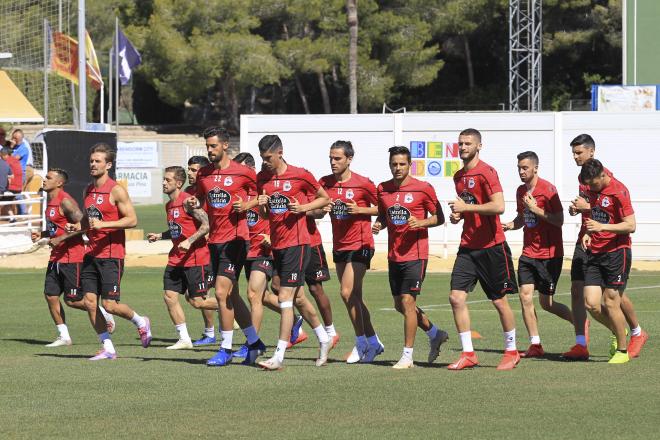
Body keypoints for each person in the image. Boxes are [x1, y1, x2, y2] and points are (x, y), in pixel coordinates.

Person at [185, 127, 266, 366]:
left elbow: (262, 197)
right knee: (232, 294)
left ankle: (226, 348)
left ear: (225, 146)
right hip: (215, 240)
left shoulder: (244, 172)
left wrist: (247, 204)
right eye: (207, 146)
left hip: (237, 239)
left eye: (213, 146)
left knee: (220, 293)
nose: (209, 150)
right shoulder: (205, 174)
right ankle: (254, 341)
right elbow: (200, 199)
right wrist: (194, 202)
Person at [563, 134, 647, 360]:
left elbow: (611, 211)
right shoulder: (585, 178)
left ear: (591, 152)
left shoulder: (609, 182)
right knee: (581, 293)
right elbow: (594, 207)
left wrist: (594, 219)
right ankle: (583, 342)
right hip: (590, 237)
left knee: (613, 297)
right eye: (573, 152)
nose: (575, 156)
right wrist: (581, 214)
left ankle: (633, 334)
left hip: (610, 243)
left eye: (579, 152)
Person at [256, 134, 333, 370]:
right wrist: (262, 206)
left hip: (298, 244)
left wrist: (303, 208)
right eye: (262, 158)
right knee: (295, 296)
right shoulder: (263, 178)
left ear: (280, 152)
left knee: (285, 298)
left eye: (268, 157)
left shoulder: (300, 175)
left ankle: (278, 356)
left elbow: (324, 199)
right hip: (277, 245)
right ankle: (324, 338)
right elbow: (267, 216)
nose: (265, 161)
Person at [447, 128, 520, 371]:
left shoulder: (487, 172)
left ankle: (511, 351)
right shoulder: (458, 176)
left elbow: (499, 207)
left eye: (468, 143)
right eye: (460, 143)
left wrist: (466, 209)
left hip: (492, 247)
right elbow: (469, 207)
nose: (463, 147)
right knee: (456, 298)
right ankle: (469, 353)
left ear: (479, 146)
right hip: (468, 246)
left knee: (499, 302)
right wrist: (458, 215)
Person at [70, 143, 151, 360]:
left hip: (112, 255)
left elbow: (132, 220)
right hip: (91, 254)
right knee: (89, 302)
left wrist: (104, 226)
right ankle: (108, 347)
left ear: (109, 165)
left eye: (98, 161)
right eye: (91, 161)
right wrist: (77, 227)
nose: (93, 164)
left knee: (110, 305)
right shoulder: (88, 189)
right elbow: (88, 221)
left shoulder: (116, 190)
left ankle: (141, 321)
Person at [372, 146, 448, 369]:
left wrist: (422, 222)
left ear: (409, 165)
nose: (397, 168)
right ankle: (435, 333)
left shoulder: (423, 188)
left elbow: (439, 217)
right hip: (394, 255)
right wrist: (380, 223)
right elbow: (384, 215)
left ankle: (407, 356)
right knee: (400, 305)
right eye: (394, 164)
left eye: (402, 164)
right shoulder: (383, 189)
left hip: (416, 254)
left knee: (407, 301)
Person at [319, 140, 384, 363]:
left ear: (349, 159)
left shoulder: (363, 183)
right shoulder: (325, 183)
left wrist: (361, 210)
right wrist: (320, 208)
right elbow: (316, 212)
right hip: (340, 245)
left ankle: (360, 343)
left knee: (346, 293)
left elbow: (382, 207)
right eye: (331, 158)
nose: (333, 162)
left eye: (337, 158)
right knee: (354, 297)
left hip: (361, 243)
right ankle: (373, 342)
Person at [503, 151, 573, 357]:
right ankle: (535, 344)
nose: (521, 172)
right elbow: (522, 217)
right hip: (528, 253)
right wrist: (510, 225)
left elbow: (559, 219)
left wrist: (536, 209)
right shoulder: (520, 191)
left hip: (550, 254)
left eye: (525, 168)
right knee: (525, 297)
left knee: (546, 303)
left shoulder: (548, 190)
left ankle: (579, 323)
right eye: (519, 168)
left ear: (535, 168)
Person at [579, 159, 641, 363]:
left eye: (594, 184)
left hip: (617, 252)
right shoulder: (592, 188)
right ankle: (619, 329)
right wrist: (589, 232)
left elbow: (630, 225)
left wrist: (602, 228)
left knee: (611, 300)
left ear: (603, 176)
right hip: (596, 251)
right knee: (591, 303)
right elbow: (598, 215)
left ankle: (622, 351)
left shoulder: (619, 191)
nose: (591, 189)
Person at [147, 166, 216, 349]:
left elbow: (207, 224)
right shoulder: (169, 205)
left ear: (178, 183)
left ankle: (230, 307)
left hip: (195, 258)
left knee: (197, 302)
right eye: (163, 179)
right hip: (176, 258)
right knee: (169, 296)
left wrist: (190, 241)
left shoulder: (187, 201)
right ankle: (184, 339)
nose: (163, 182)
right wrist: (160, 236)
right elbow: (178, 229)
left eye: (168, 180)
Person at [30, 169, 91, 346]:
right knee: (50, 295)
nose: (44, 180)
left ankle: (102, 311)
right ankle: (64, 336)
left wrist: (60, 239)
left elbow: (83, 226)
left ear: (59, 183)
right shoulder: (50, 202)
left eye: (48, 178)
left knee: (73, 301)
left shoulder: (66, 202)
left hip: (73, 257)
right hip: (56, 257)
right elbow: (57, 228)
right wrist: (41, 233)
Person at [185, 155, 220, 346]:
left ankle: (215, 328)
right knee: (195, 295)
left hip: (209, 250)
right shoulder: (189, 192)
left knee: (199, 295)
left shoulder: (210, 191)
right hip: (195, 251)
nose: (190, 173)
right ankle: (214, 328)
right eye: (189, 169)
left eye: (194, 170)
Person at [0, 147, 21, 221]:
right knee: (5, 202)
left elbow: (10, 177)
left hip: (10, 188)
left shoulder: (6, 162)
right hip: (17, 187)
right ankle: (12, 218)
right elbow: (12, 176)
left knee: (5, 202)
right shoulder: (14, 161)